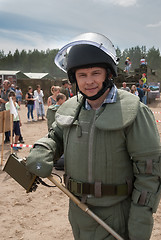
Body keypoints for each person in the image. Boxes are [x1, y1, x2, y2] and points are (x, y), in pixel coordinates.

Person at [26, 32, 161, 240]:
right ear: (74, 78)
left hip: (116, 216)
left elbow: (149, 173)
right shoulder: (69, 109)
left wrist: (140, 222)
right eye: (82, 75)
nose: (89, 81)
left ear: (108, 74)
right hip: (78, 213)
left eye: (95, 73)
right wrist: (43, 148)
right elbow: (56, 137)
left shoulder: (134, 112)